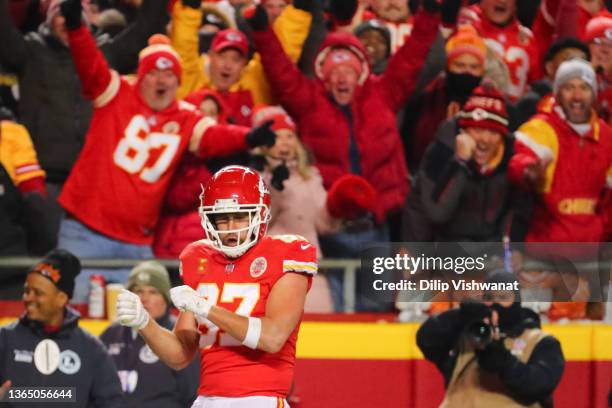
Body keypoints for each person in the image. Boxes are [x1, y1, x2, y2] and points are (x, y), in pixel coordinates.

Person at [56, 0, 276, 305]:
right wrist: (78, 30)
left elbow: (214, 137)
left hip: (136, 242)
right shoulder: (116, 92)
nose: (162, 81)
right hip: (84, 231)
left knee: (140, 326)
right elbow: (90, 64)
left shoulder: (186, 116)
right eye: (154, 74)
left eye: (169, 75)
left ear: (178, 80)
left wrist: (249, 137)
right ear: (141, 77)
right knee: (75, 314)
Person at [116, 166, 317, 407]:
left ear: (260, 215)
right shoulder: (198, 259)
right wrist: (144, 322)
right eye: (222, 218)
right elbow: (180, 355)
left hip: (259, 398)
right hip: (207, 400)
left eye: (240, 215)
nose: (232, 227)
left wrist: (206, 308)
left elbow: (272, 337)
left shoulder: (285, 255)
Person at [0, 0, 169, 249]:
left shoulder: (105, 53)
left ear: (90, 19)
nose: (66, 19)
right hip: (45, 180)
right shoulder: (30, 51)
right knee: (49, 259)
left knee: (91, 268)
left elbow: (148, 26)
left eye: (76, 12)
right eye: (60, 12)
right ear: (46, 16)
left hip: (95, 183)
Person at [417, 271, 565, 407]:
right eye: (489, 297)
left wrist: (505, 363)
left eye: (503, 297)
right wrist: (461, 316)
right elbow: (426, 339)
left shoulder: (541, 342)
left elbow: (539, 385)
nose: (495, 304)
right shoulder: (465, 337)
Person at [0, 249, 123, 407]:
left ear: (61, 299)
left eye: (37, 293)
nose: (27, 298)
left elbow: (111, 402)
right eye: (26, 291)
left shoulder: (91, 349)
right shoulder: (6, 339)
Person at [509, 58, 612, 243]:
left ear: (594, 94)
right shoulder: (542, 128)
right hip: (543, 255)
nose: (577, 96)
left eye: (584, 88)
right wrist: (528, 171)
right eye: (569, 87)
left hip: (592, 255)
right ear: (557, 93)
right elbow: (520, 161)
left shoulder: (606, 137)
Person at [403, 85, 521, 243]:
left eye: (493, 132)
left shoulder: (510, 157)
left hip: (489, 254)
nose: (485, 140)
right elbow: (436, 213)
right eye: (478, 130)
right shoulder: (441, 151)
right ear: (464, 131)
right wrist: (460, 163)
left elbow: (514, 210)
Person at [100, 261, 199, 408]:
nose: (144, 299)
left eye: (153, 292)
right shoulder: (111, 334)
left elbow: (192, 396)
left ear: (166, 299)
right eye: (138, 291)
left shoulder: (181, 334)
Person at [401, 24, 486, 171]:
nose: (467, 72)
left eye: (474, 67)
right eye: (460, 65)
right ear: (448, 67)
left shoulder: (492, 104)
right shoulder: (423, 99)